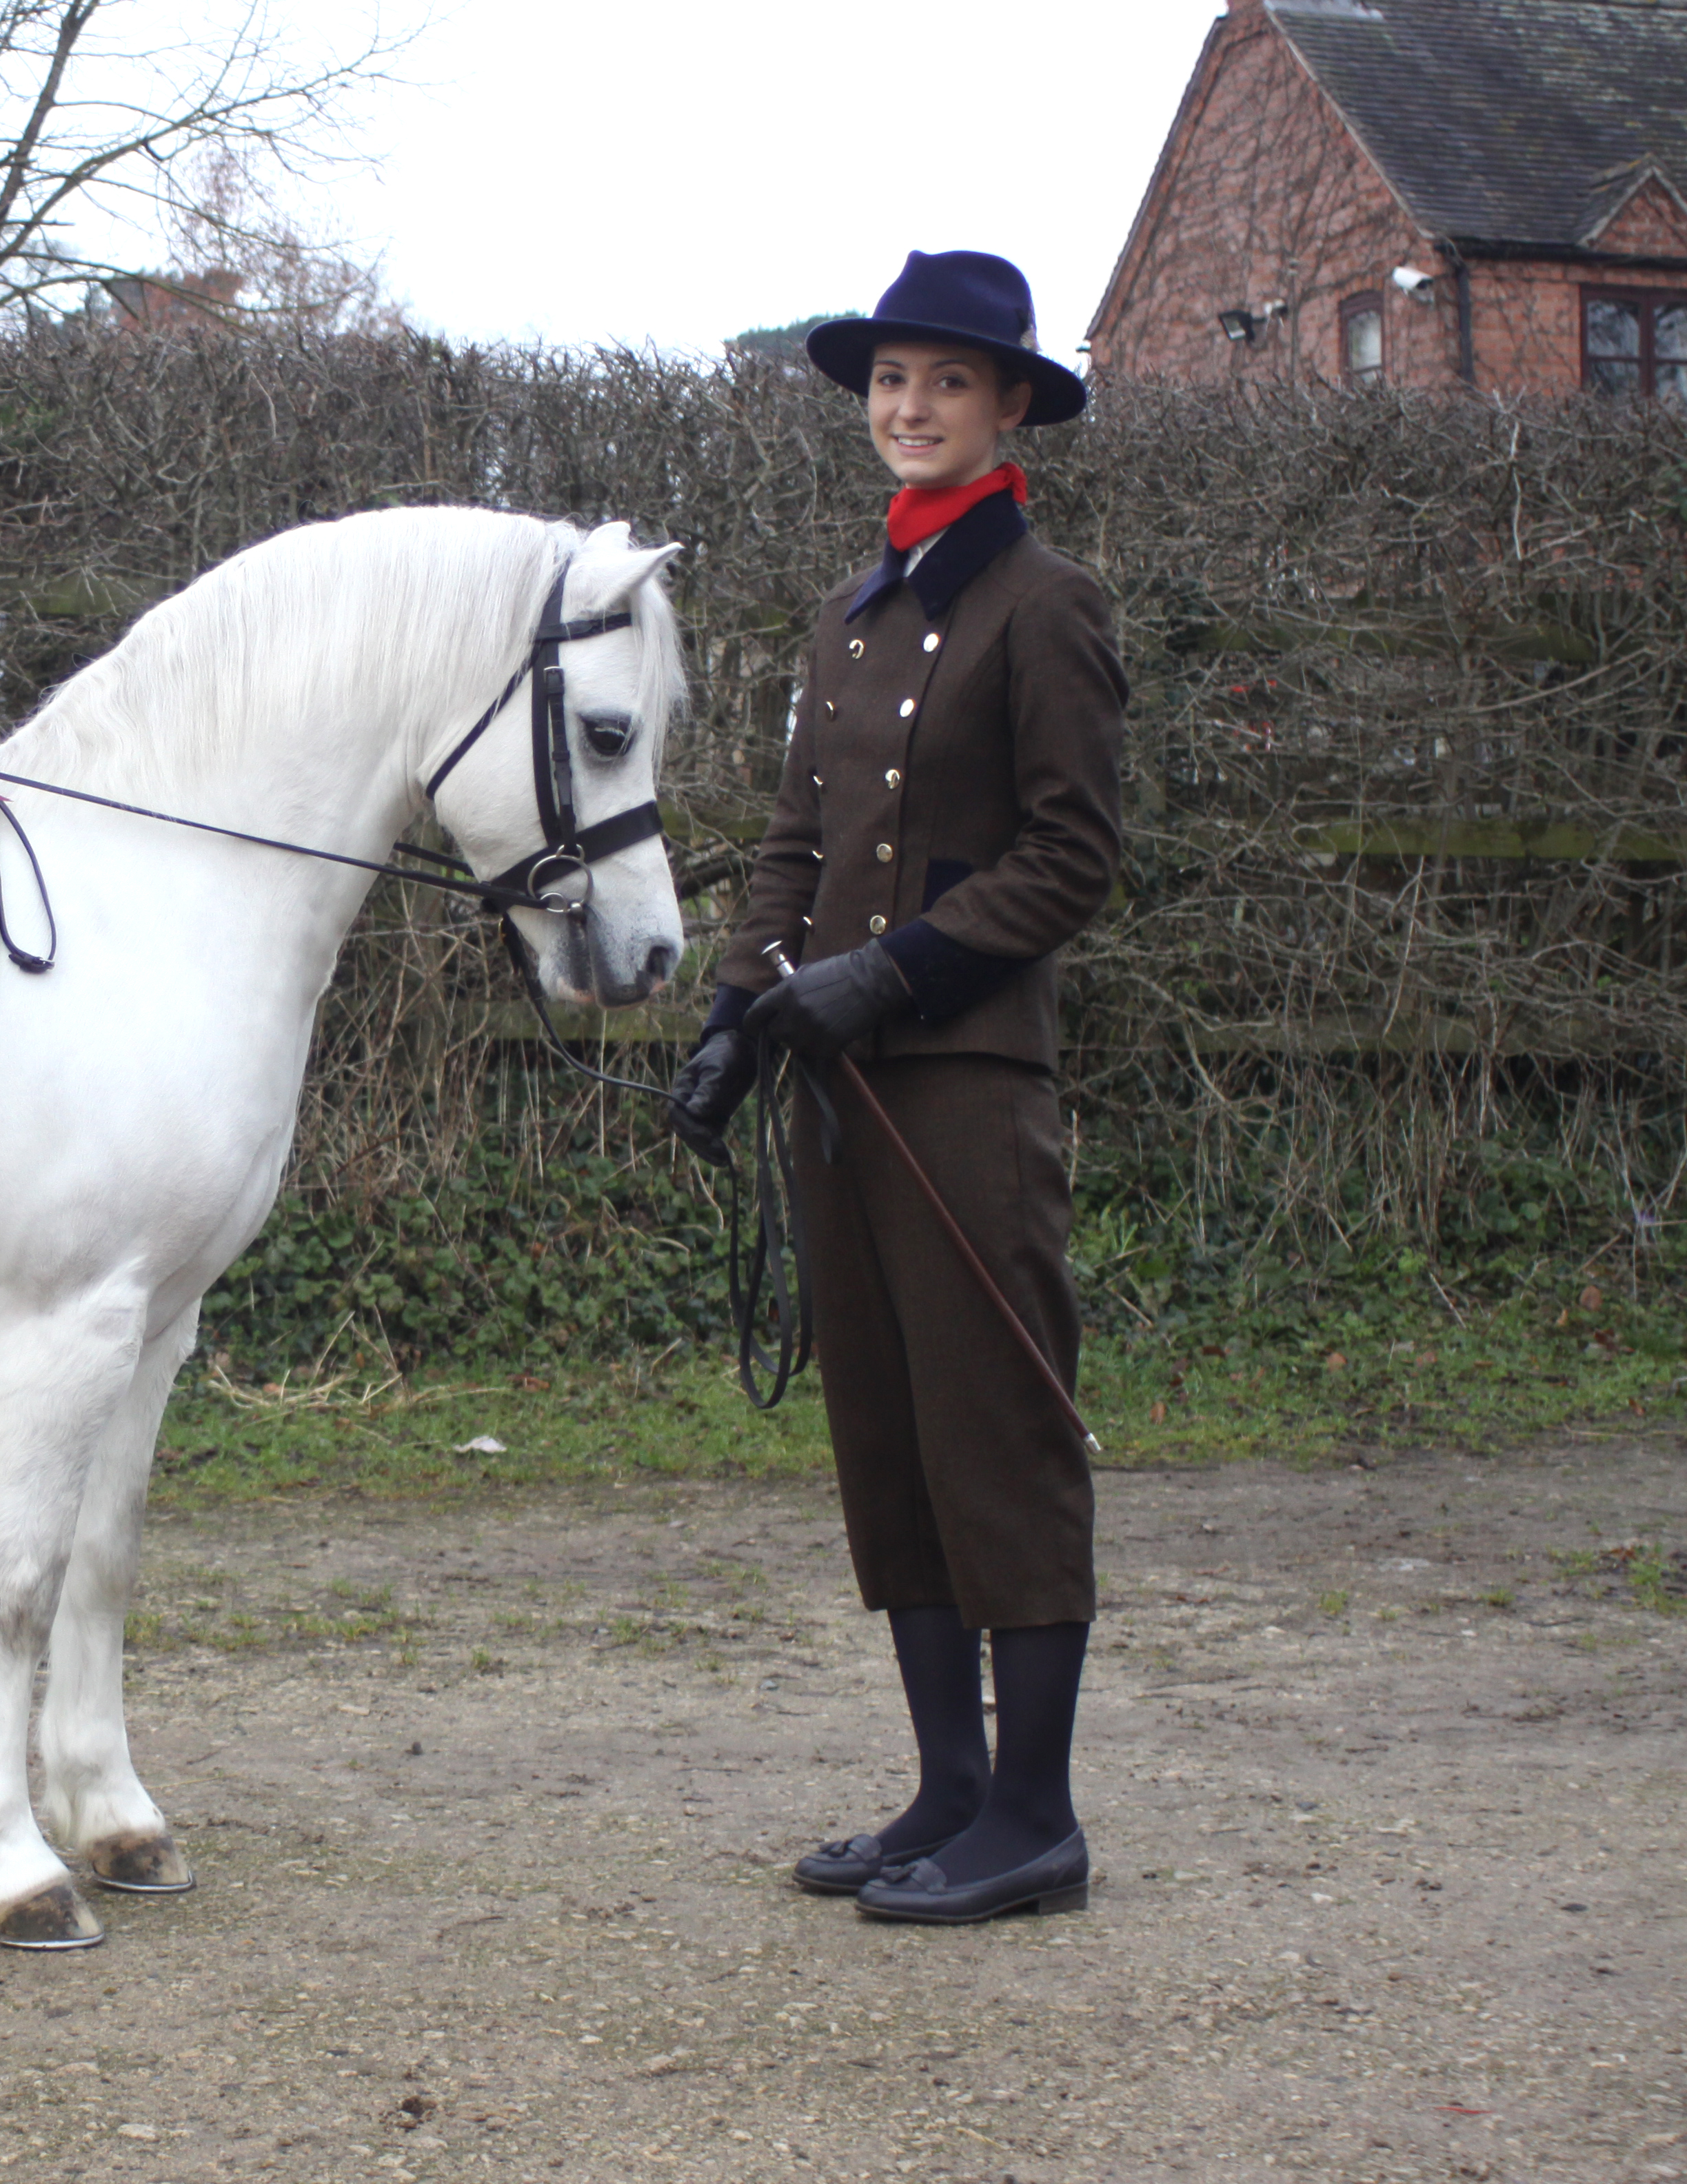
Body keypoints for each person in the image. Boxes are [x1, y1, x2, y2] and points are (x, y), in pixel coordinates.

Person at [666, 250, 1125, 1925]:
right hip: (835, 1090)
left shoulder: (1045, 604)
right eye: (888, 383)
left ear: (1011, 408)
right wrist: (736, 1015)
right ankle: (946, 1788)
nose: (908, 409)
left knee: (997, 1429)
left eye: (943, 382)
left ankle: (1039, 1814)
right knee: (889, 1437)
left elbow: (1074, 855)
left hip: (964, 1080)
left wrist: (898, 970)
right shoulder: (846, 614)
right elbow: (795, 845)